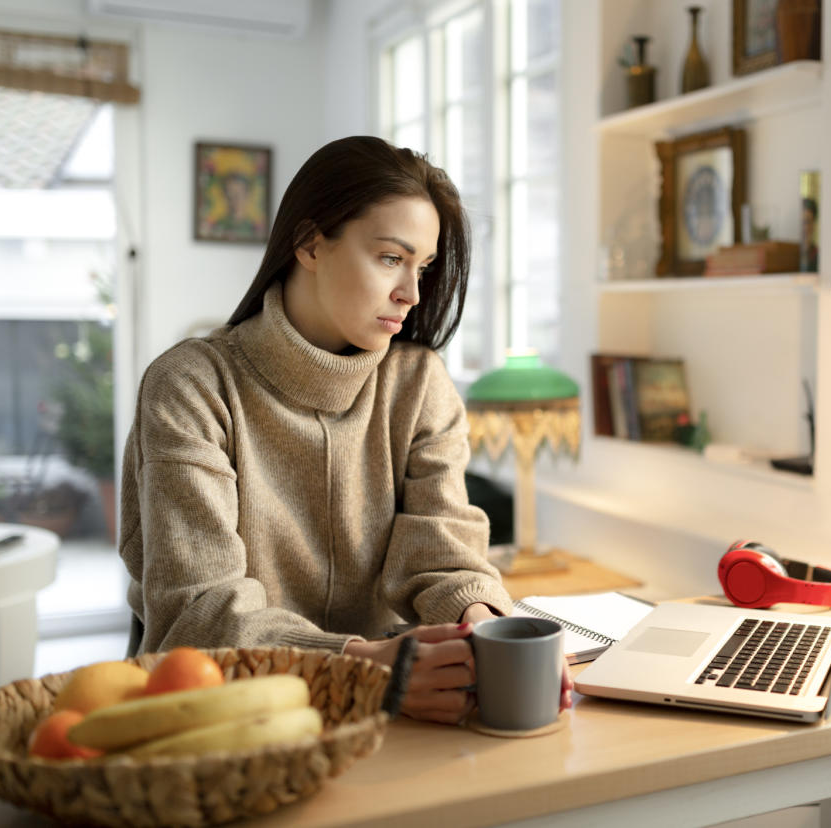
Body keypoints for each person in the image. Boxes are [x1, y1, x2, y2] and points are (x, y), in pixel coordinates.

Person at [120, 136, 572, 724]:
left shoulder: (419, 382)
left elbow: (444, 557)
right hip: (226, 714)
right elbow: (199, 615)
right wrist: (362, 662)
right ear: (310, 243)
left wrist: (486, 624)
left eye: (423, 267)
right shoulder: (190, 385)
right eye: (391, 258)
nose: (411, 294)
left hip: (389, 706)